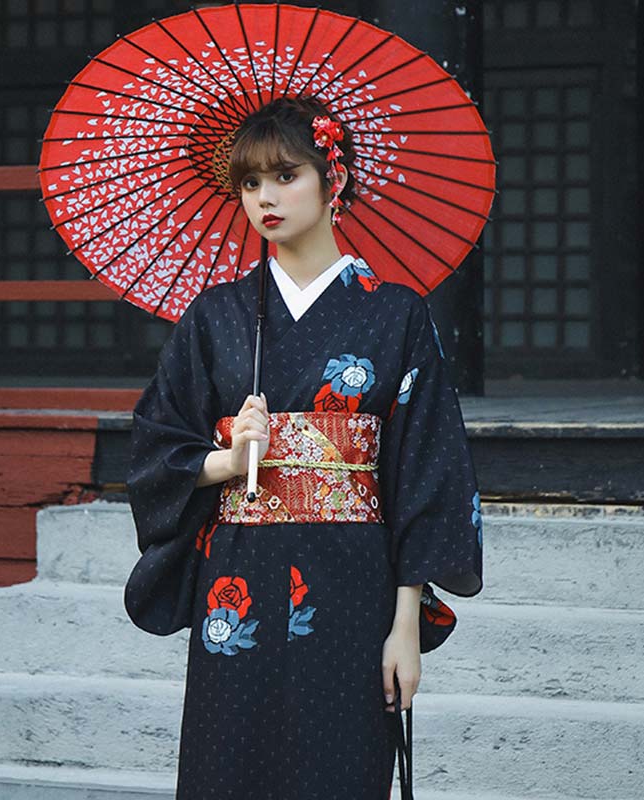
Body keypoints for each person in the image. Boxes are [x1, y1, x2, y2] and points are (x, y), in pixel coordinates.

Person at [124, 96, 483, 800]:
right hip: (241, 572)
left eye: (286, 175)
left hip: (354, 580)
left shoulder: (396, 314)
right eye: (250, 184)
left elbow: (425, 471)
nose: (265, 198)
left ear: (334, 179)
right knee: (229, 766)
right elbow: (153, 443)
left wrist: (406, 624)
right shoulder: (218, 314)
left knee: (339, 768)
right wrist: (228, 459)